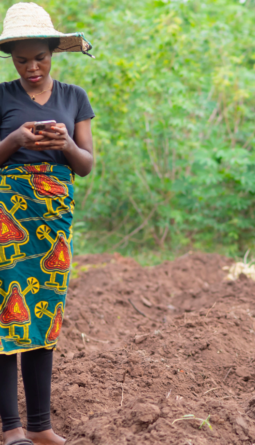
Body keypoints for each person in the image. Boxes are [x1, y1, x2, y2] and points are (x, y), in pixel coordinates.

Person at [0, 3, 95, 445]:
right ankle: (10, 428)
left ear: (54, 52)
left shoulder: (75, 97)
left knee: (45, 313)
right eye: (22, 60)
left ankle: (39, 427)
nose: (32, 67)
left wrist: (66, 144)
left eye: (40, 57)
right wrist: (15, 140)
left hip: (53, 218)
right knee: (5, 316)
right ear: (11, 60)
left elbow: (87, 165)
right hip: (7, 216)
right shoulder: (1, 96)